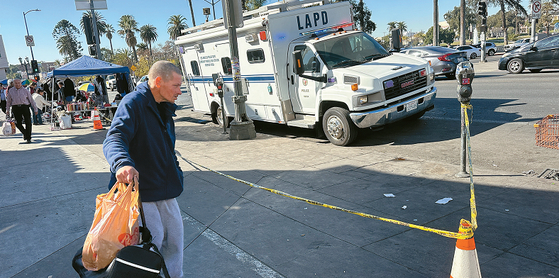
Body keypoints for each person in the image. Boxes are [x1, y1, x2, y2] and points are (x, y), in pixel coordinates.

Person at [103, 61, 184, 278]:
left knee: (174, 243)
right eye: (176, 85)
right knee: (148, 247)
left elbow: (167, 147)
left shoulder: (164, 107)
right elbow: (115, 137)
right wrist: (122, 163)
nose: (180, 91)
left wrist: (176, 170)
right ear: (158, 81)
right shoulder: (134, 103)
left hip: (166, 191)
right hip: (141, 194)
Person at [6, 79, 38, 143]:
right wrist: (7, 110)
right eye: (16, 83)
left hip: (25, 107)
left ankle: (28, 137)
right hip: (15, 107)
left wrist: (35, 109)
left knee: (28, 122)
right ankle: (25, 133)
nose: (17, 84)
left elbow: (31, 100)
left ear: (21, 83)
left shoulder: (25, 90)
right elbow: (8, 101)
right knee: (17, 123)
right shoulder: (11, 91)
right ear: (13, 84)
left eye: (19, 83)